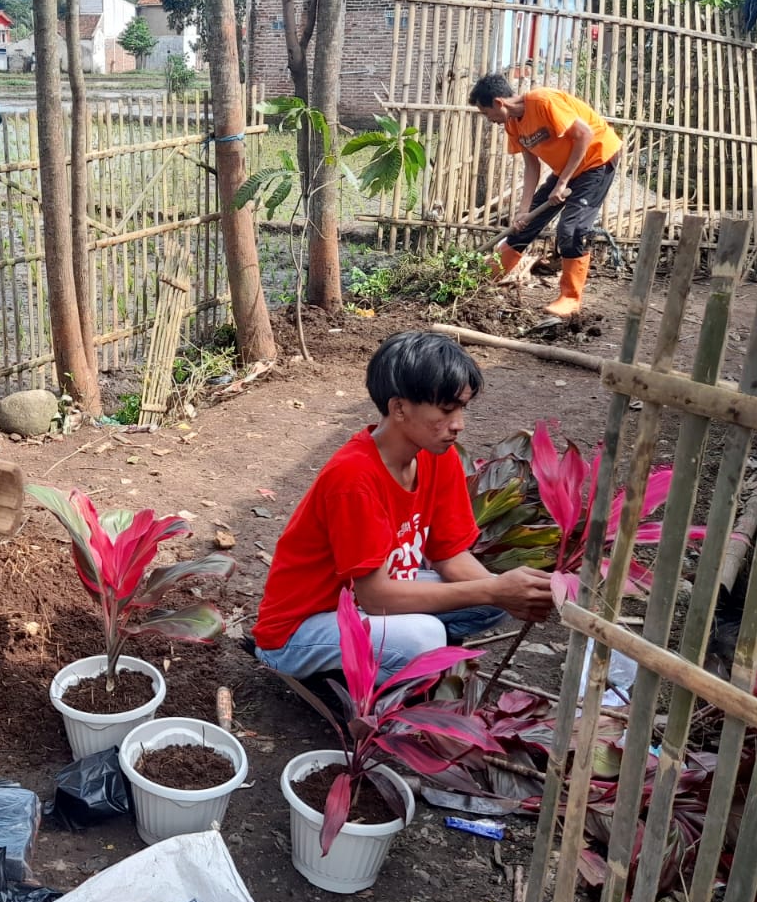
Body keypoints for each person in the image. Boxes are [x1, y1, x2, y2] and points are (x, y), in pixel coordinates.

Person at [252, 331, 554, 685]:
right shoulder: (354, 477)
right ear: (399, 408)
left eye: (461, 408)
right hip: (298, 633)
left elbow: (450, 555)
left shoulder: (438, 457)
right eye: (446, 410)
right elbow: (376, 596)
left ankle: (399, 662)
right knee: (424, 635)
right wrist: (492, 589)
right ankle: (374, 693)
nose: (458, 424)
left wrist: (505, 591)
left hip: (364, 608)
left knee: (494, 599)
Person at [470, 72, 622, 318]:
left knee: (571, 229)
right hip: (569, 169)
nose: (490, 120)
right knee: (524, 224)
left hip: (597, 160)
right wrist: (523, 211)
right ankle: (486, 278)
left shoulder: (542, 101)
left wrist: (562, 182)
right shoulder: (512, 124)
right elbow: (532, 166)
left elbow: (584, 135)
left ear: (499, 103)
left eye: (487, 114)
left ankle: (570, 298)